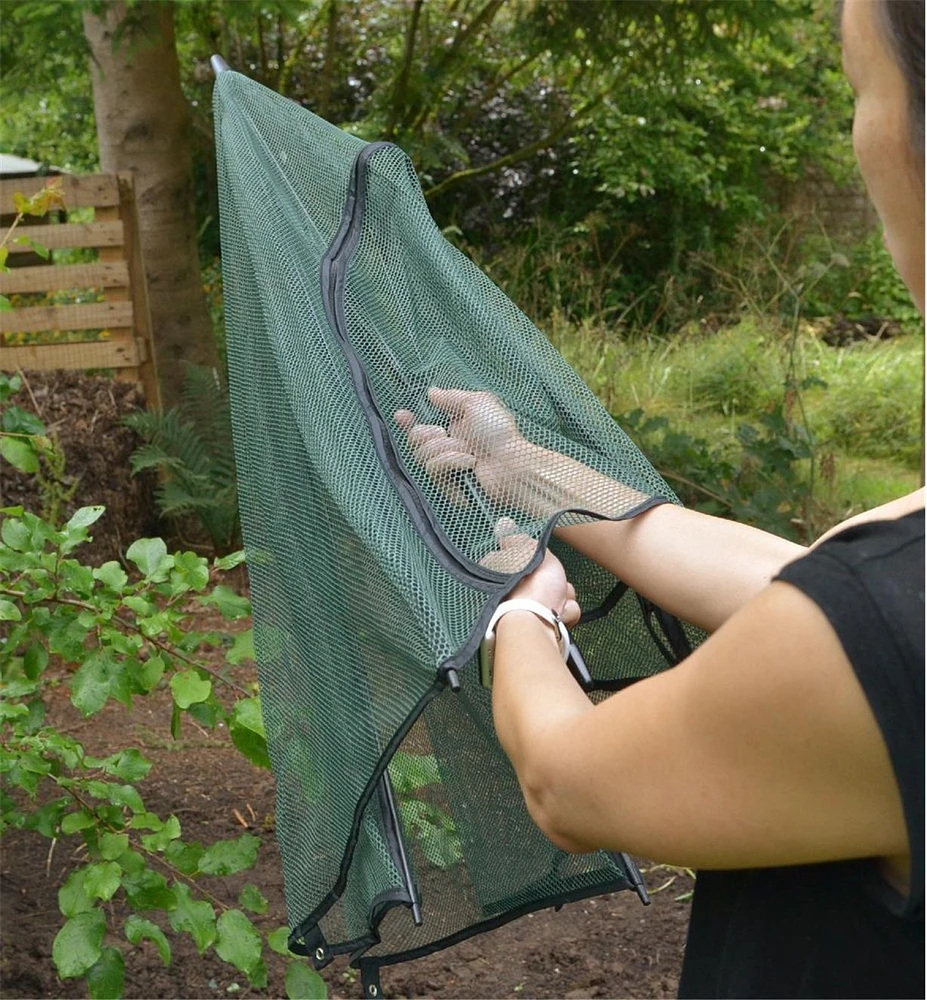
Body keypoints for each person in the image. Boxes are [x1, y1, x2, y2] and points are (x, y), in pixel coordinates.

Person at [395, 1, 925, 995]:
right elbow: (821, 581)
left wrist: (519, 607)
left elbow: (569, 777)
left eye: (861, 90)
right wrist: (529, 473)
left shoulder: (886, 638)